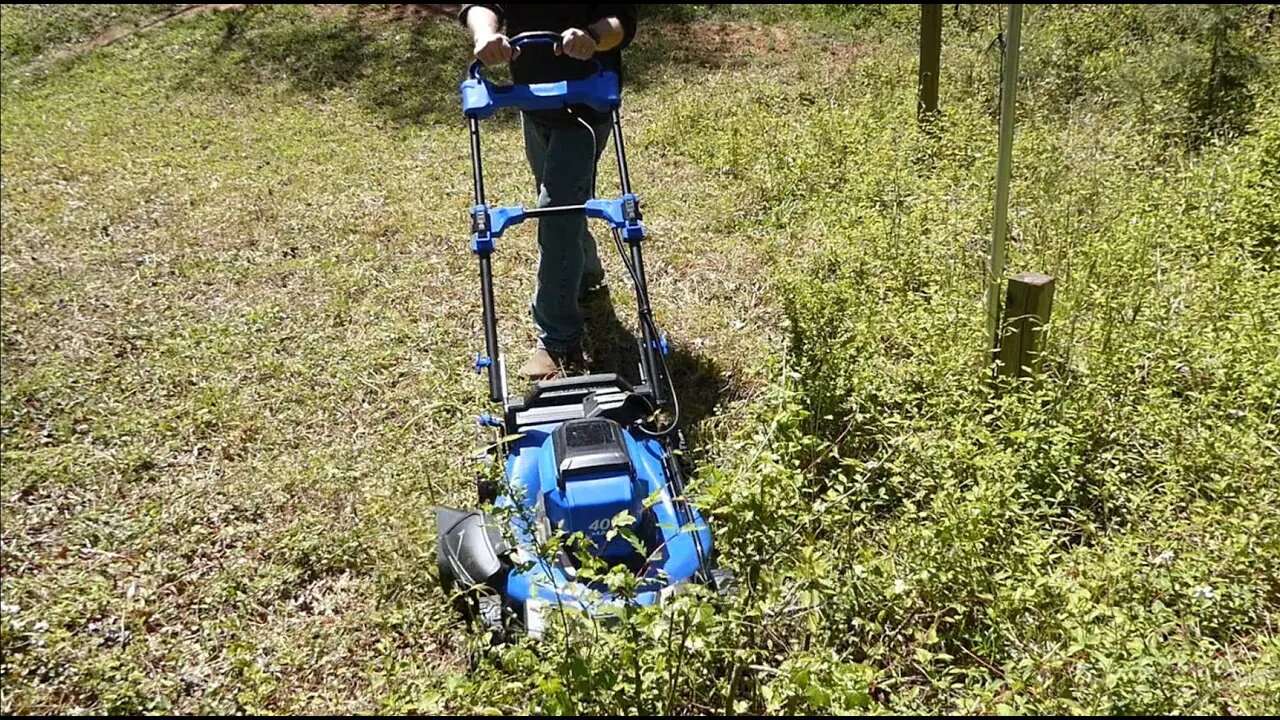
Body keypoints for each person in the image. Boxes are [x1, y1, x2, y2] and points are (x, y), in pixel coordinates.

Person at [458, 4, 639, 380]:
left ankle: (557, 341)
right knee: (563, 203)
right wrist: (485, 36)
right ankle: (587, 277)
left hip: (587, 104)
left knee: (556, 212)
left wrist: (591, 37)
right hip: (531, 102)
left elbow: (621, 21)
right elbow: (481, 7)